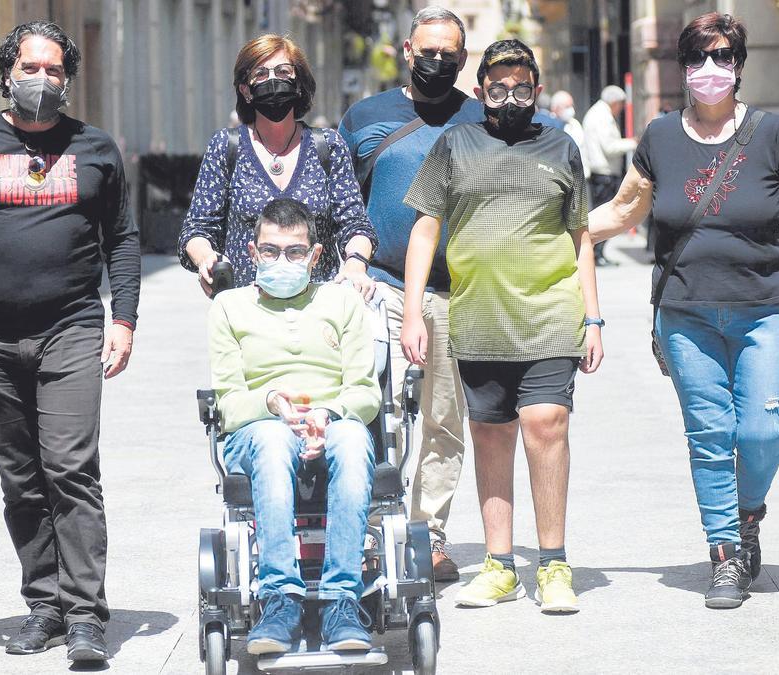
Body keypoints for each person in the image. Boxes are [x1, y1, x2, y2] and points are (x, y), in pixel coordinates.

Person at [588, 12, 779, 609]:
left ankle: (747, 513)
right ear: (682, 68)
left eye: (724, 56)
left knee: (762, 430)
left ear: (739, 65)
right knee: (710, 436)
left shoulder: (773, 132)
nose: (712, 69)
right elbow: (624, 212)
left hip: (762, 311)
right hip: (686, 314)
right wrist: (561, 229)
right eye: (700, 58)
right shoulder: (659, 137)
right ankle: (725, 551)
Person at [0, 21, 140, 661]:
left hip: (71, 327)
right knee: (20, 478)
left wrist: (123, 317)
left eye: (54, 70)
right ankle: (43, 605)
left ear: (68, 78)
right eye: (31, 67)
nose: (42, 80)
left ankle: (86, 616)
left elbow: (122, 239)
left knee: (70, 468)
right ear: (6, 71)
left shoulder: (95, 148)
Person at [402, 39, 604, 614]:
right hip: (479, 316)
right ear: (481, 90)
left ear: (536, 91)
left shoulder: (561, 146)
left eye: (520, 87)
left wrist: (593, 318)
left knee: (546, 423)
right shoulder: (454, 143)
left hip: (549, 313)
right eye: (497, 87)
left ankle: (554, 564)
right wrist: (413, 311)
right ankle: (498, 566)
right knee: (491, 436)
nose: (509, 96)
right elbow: (424, 230)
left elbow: (580, 237)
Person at [337, 5, 483, 583]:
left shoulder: (481, 117)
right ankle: (374, 533)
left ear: (464, 57)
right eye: (428, 53)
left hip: (460, 291)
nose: (438, 62)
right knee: (376, 410)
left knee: (444, 418)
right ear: (407, 52)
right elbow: (341, 199)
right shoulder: (367, 115)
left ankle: (426, 534)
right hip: (383, 285)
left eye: (450, 54)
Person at [209, 199, 381, 655]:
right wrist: (269, 403)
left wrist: (330, 414)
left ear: (316, 254)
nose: (281, 261)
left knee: (352, 436)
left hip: (331, 421)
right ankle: (279, 597)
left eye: (294, 251)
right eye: (270, 251)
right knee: (270, 438)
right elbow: (227, 403)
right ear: (251, 251)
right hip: (259, 427)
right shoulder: (229, 307)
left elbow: (365, 393)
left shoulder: (342, 302)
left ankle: (341, 600)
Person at [180, 34, 377, 300]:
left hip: (318, 307)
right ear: (245, 90)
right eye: (260, 73)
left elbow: (355, 224)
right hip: (247, 307)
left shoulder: (328, 146)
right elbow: (198, 228)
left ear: (298, 84)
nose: (273, 80)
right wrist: (206, 258)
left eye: (284, 71)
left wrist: (355, 264)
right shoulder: (226, 147)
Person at [583, 84, 637, 266]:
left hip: (601, 172)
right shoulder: (602, 116)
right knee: (605, 215)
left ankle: (598, 253)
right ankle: (597, 254)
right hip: (603, 173)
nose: (621, 109)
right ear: (614, 102)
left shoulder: (597, 113)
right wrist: (632, 143)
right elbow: (610, 146)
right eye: (621, 104)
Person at [550, 90, 590, 179]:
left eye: (572, 106)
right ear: (555, 108)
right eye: (567, 106)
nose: (571, 110)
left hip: (579, 175)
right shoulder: (549, 124)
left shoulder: (574, 124)